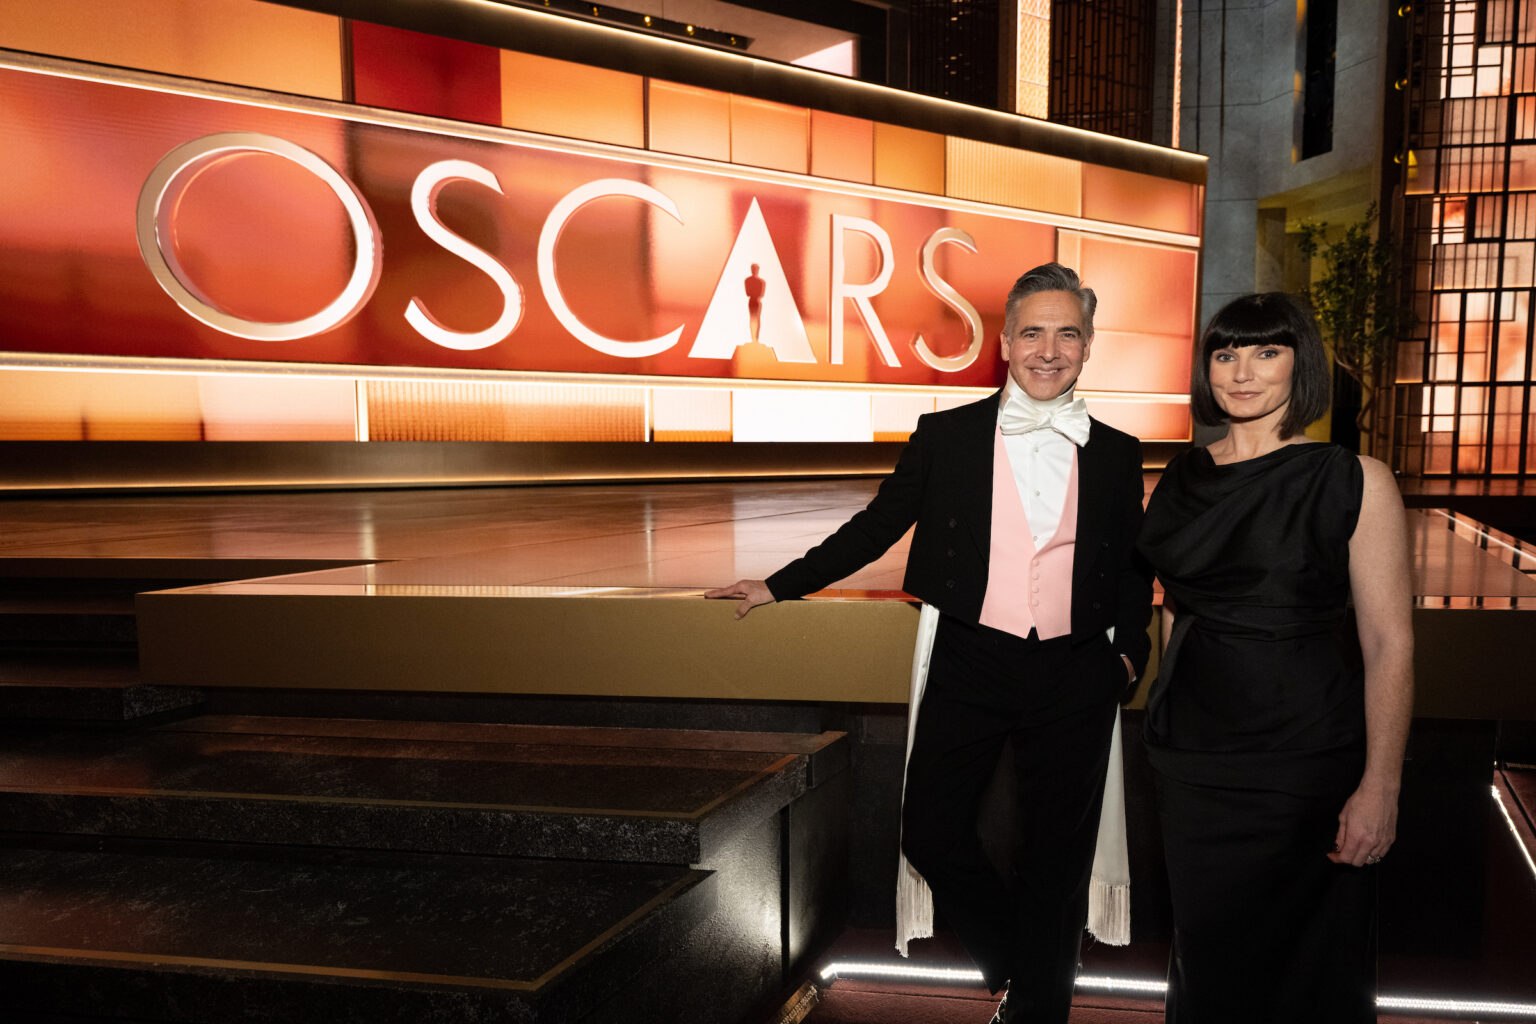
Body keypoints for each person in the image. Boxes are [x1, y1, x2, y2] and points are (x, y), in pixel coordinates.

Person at [708, 262, 1153, 1024]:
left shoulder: (1116, 450)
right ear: (1007, 341)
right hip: (972, 658)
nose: (1050, 349)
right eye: (1034, 332)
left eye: (1068, 334)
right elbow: (879, 526)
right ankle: (1019, 961)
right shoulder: (947, 436)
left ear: (1088, 346)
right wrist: (779, 583)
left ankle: (1036, 1008)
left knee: (1057, 860)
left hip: (1077, 668)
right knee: (931, 831)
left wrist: (1127, 657)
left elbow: (1133, 566)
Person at [1136, 292, 1413, 1023]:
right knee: (1207, 955)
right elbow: (1173, 607)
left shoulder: (1353, 479)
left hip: (1305, 759)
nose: (1242, 373)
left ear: (1302, 363)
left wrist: (1380, 785)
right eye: (1225, 354)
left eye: (1266, 352)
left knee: (1309, 964)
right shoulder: (1183, 474)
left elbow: (1390, 644)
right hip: (1192, 761)